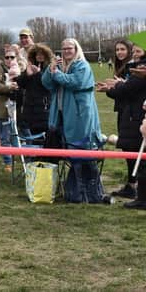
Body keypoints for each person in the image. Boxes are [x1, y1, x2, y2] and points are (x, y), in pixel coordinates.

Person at [42, 38, 105, 203]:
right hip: (62, 115)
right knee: (71, 153)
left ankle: (87, 192)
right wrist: (51, 70)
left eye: (69, 48)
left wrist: (57, 74)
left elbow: (74, 82)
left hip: (80, 116)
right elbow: (47, 83)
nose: (66, 51)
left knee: (82, 150)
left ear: (76, 49)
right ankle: (74, 190)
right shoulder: (61, 66)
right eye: (63, 48)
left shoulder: (82, 66)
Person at [96, 39, 135, 198]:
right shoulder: (122, 67)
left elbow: (128, 91)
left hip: (131, 114)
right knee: (127, 149)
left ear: (130, 51)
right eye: (117, 49)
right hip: (123, 112)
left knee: (131, 148)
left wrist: (113, 88)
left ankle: (134, 186)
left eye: (123, 49)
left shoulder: (131, 68)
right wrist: (109, 89)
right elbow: (119, 93)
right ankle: (132, 184)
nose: (119, 52)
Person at [0, 48, 22, 172]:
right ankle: (8, 162)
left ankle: (21, 159)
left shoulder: (21, 67)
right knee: (5, 136)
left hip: (18, 107)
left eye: (12, 57)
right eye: (7, 57)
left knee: (17, 135)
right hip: (3, 107)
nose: (9, 59)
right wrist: (9, 87)